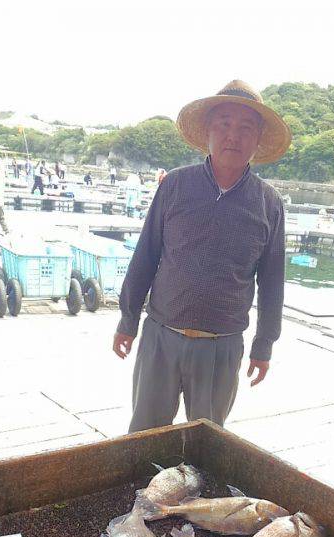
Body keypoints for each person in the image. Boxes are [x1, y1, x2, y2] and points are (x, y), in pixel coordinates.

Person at [113, 79, 291, 433]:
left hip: (221, 347)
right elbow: (146, 255)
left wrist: (264, 344)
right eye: (224, 123)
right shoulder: (175, 185)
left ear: (258, 139)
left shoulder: (269, 203)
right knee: (144, 436)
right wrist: (128, 319)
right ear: (208, 130)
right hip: (161, 336)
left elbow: (272, 283)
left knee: (207, 442)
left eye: (246, 127)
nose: (233, 136)